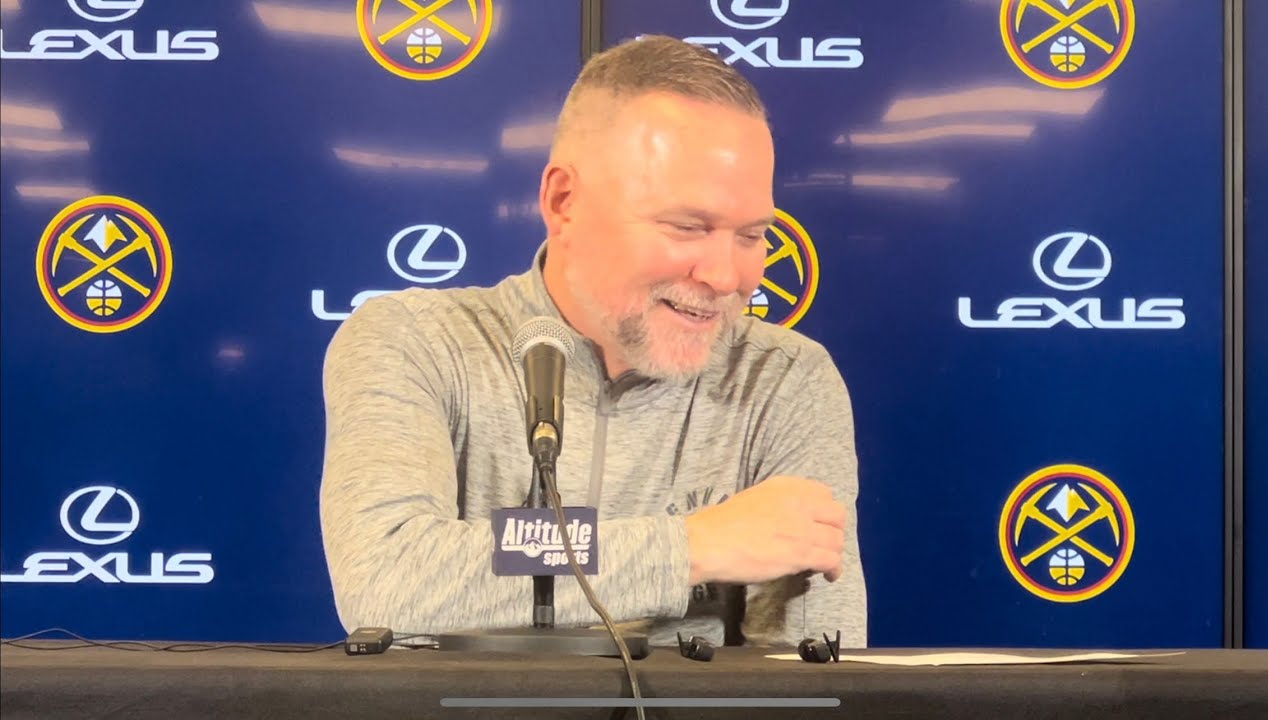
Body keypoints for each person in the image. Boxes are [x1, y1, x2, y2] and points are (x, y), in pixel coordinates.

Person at [319, 34, 866, 649]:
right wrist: (694, 546)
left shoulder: (785, 378)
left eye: (751, 235)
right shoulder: (415, 340)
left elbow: (817, 668)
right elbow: (386, 576)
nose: (725, 276)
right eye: (687, 226)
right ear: (564, 202)